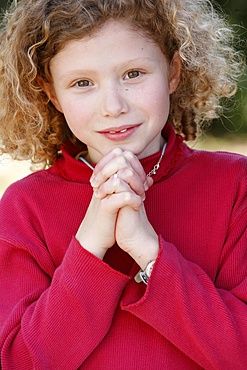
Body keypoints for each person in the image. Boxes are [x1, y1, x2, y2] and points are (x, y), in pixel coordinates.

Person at [0, 0, 246, 368]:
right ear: (52, 93)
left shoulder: (235, 186)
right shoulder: (25, 206)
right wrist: (90, 244)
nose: (113, 106)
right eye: (82, 83)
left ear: (173, 71)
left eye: (133, 73)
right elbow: (21, 361)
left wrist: (148, 250)